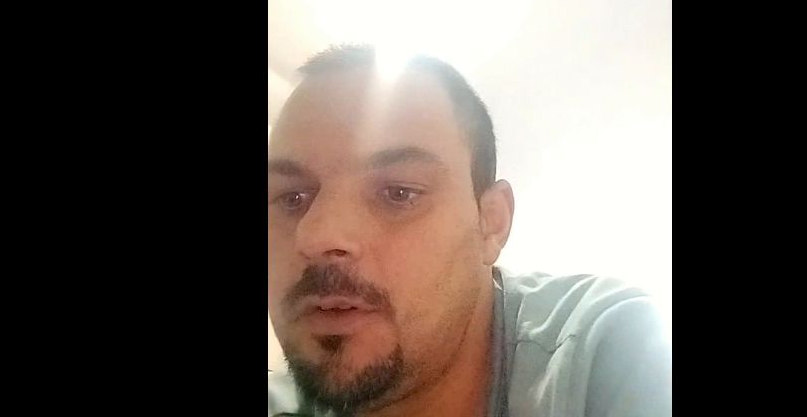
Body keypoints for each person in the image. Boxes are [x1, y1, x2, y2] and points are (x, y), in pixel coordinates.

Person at [268, 45, 671, 416]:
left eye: (399, 193)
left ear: (492, 223)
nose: (316, 237)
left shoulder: (610, 353)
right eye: (291, 199)